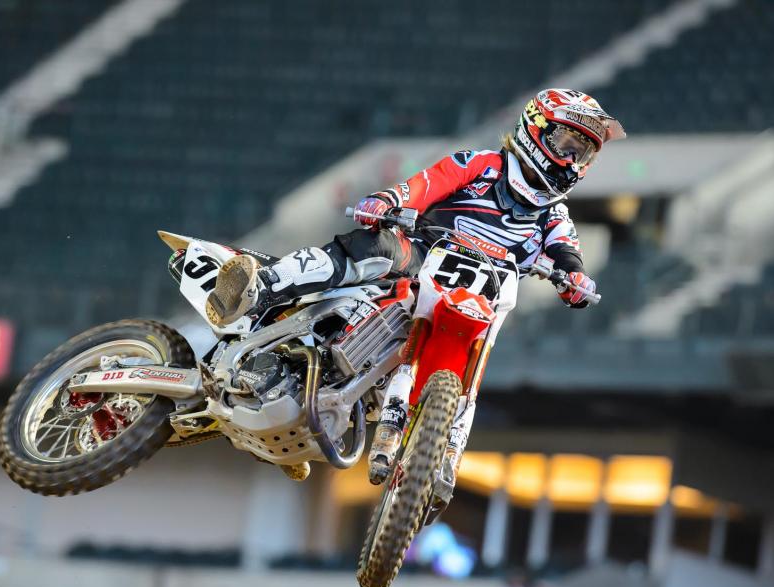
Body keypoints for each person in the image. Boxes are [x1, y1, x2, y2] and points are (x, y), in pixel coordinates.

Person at [205, 88, 625, 477]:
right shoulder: (482, 165)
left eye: (583, 154)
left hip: (483, 294)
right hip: (423, 255)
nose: (571, 161)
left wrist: (574, 278)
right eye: (567, 145)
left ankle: (425, 449)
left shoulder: (554, 215)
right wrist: (390, 201)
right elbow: (427, 184)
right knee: (377, 247)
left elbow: (567, 251)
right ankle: (261, 285)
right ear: (536, 130)